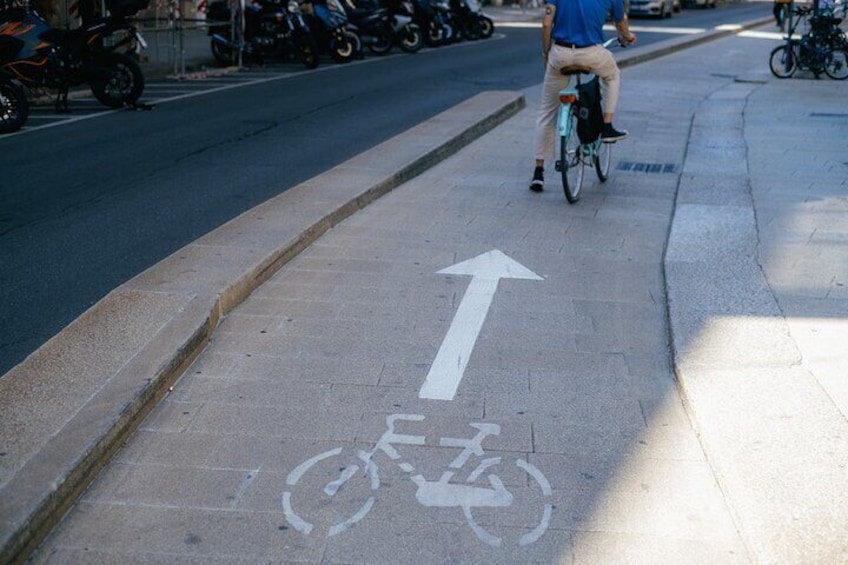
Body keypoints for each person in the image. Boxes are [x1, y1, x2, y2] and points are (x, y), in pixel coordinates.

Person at [529, 0, 636, 192]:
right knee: (612, 76)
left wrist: (546, 54)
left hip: (560, 53)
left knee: (546, 112)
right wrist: (628, 36)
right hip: (592, 53)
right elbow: (621, 25)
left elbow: (546, 24)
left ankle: (538, 172)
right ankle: (607, 126)